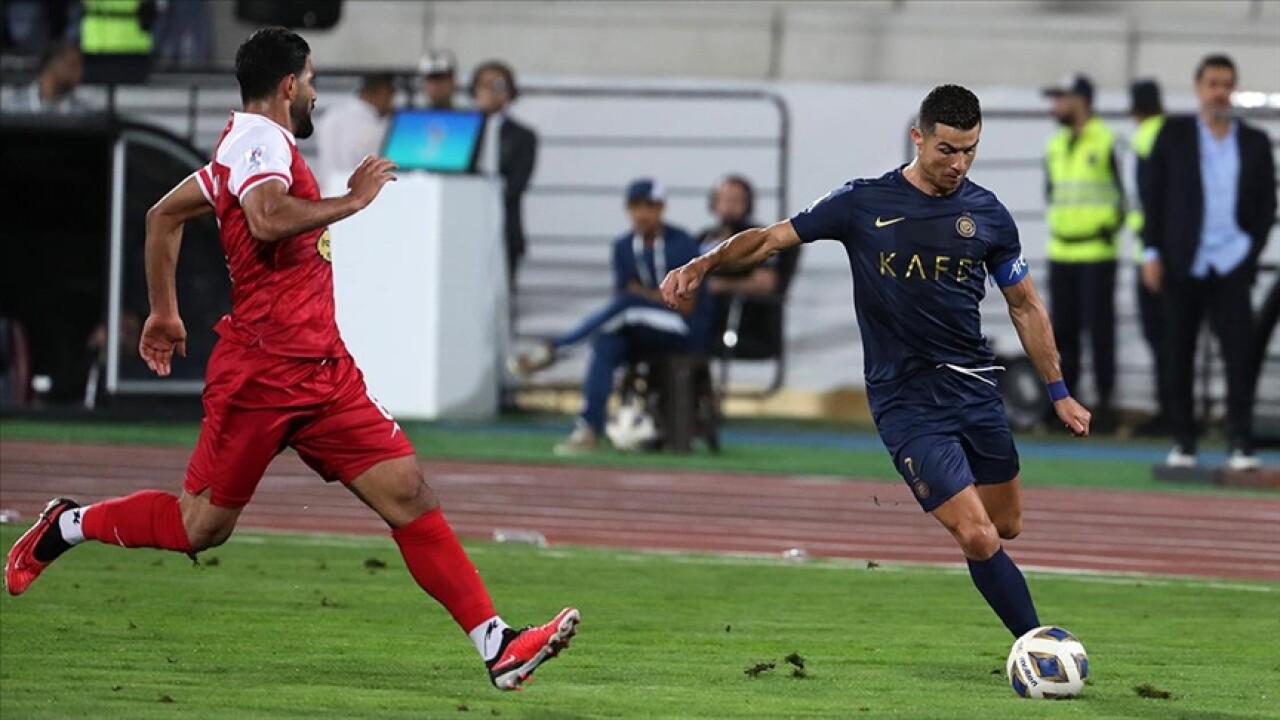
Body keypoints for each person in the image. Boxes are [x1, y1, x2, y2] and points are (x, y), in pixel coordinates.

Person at [4, 27, 578, 692]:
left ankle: (497, 645)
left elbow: (164, 216)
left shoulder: (245, 145)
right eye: (311, 80)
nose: (314, 93)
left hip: (323, 371)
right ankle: (67, 525)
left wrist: (164, 311)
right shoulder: (260, 141)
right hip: (263, 374)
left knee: (407, 491)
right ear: (287, 85)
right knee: (200, 528)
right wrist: (352, 201)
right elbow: (266, 218)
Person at [662, 85, 1092, 642]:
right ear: (918, 138)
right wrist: (702, 264)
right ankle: (1036, 646)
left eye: (970, 151)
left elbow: (1025, 305)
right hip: (905, 400)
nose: (958, 164)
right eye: (947, 150)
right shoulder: (862, 203)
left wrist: (1059, 392)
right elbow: (769, 240)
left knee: (1006, 525)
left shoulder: (989, 216)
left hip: (975, 390)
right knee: (978, 535)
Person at [1141, 54, 1275, 471]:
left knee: (1239, 356)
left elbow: (1265, 204)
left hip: (1232, 261)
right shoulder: (1174, 135)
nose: (1219, 92)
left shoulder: (1254, 141)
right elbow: (1153, 195)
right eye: (1213, 83)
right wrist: (1152, 251)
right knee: (1178, 352)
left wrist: (1250, 250)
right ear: (1199, 88)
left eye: (1226, 84)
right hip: (1185, 261)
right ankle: (1184, 441)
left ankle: (1240, 442)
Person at [511, 179, 710, 455]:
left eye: (649, 206)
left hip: (683, 329)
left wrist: (643, 295)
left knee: (627, 306)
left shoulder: (682, 243)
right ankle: (588, 428)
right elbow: (626, 293)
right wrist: (650, 295)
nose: (642, 214)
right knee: (605, 343)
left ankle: (558, 348)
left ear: (661, 209)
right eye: (636, 206)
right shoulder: (624, 247)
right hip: (641, 329)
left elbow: (685, 306)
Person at [1042, 73, 1124, 431]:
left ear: (1082, 101)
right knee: (1062, 334)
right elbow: (1052, 194)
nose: (1055, 105)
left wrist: (1109, 227)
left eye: (1062, 97)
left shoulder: (1106, 141)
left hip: (1097, 251)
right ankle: (1066, 406)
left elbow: (1124, 197)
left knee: (1100, 332)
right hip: (1062, 250)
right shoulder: (1054, 146)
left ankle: (1105, 408)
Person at [471, 60, 537, 295]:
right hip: (466, 225)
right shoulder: (461, 130)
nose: (490, 91)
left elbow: (517, 183)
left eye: (498, 84)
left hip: (504, 227)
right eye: (484, 84)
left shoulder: (523, 136)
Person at [1126, 79, 1169, 436]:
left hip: (1153, 253)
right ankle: (1172, 409)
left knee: (1161, 336)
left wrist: (1152, 246)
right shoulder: (1172, 134)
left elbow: (1149, 197)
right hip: (1170, 251)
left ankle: (1168, 410)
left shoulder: (1146, 137)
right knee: (1171, 336)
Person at [314, 73, 396, 194]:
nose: (392, 103)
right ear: (381, 93)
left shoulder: (332, 115)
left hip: (330, 191)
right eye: (391, 96)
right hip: (354, 194)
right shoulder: (371, 127)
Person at [4, 41, 85, 114]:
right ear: (51, 67)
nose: (79, 72)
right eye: (72, 66)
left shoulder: (81, 112)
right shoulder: (12, 108)